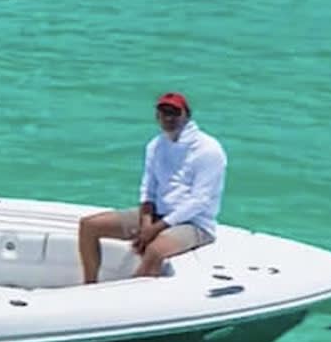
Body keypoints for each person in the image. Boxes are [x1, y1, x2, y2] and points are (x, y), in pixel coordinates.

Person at [78, 93, 228, 282]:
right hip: (159, 215)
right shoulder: (156, 145)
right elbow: (148, 189)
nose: (168, 118)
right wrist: (146, 224)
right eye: (163, 112)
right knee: (89, 225)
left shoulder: (208, 150)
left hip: (195, 223)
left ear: (187, 115)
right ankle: (90, 284)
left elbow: (199, 201)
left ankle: (130, 294)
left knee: (155, 250)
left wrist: (156, 229)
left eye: (174, 112)